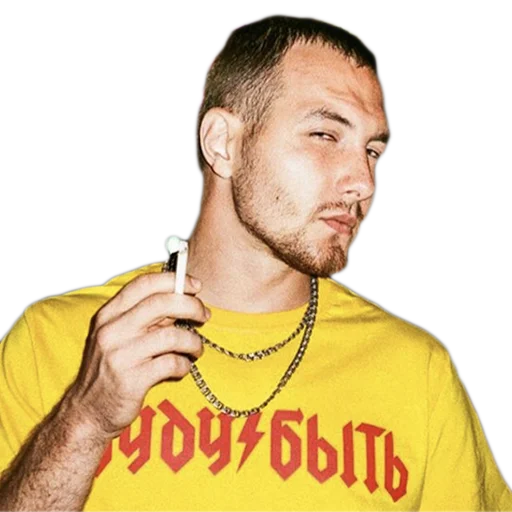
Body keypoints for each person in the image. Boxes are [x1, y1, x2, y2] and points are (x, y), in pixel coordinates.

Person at [0, 14, 510, 512]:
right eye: (325, 136)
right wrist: (85, 421)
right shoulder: (55, 340)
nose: (363, 182)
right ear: (223, 142)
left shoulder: (417, 371)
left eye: (373, 151)